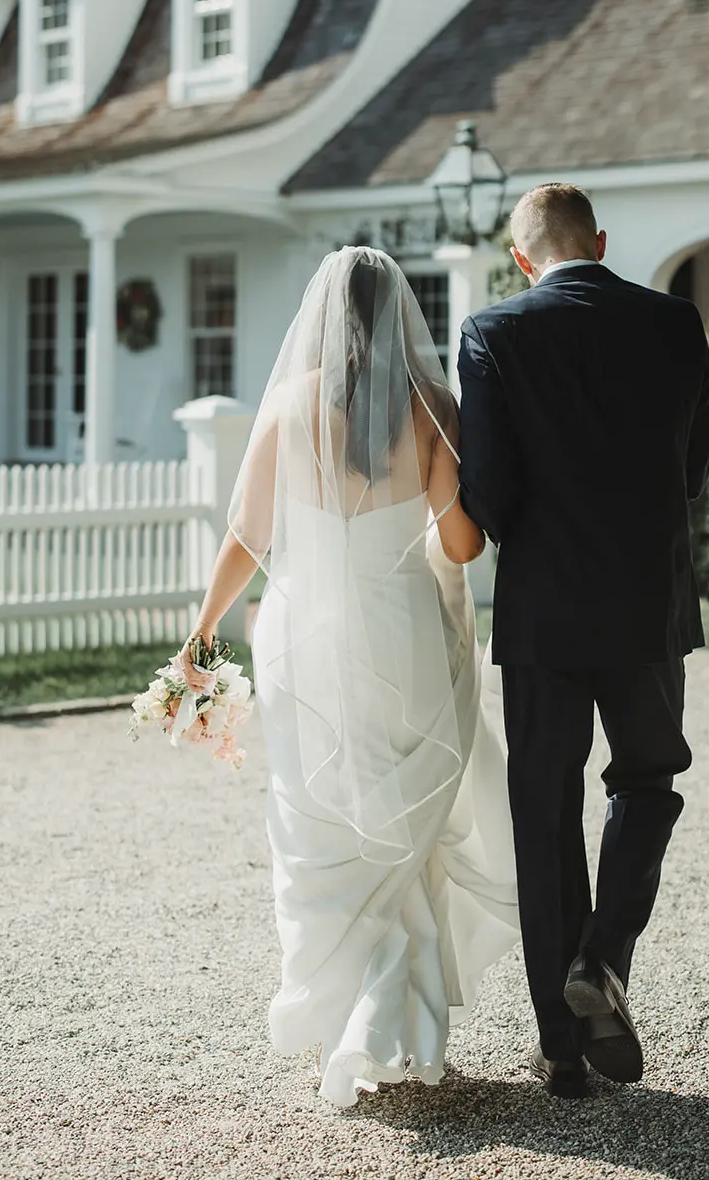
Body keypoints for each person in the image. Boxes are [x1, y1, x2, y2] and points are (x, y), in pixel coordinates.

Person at [185, 246, 520, 1108]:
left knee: (324, 823)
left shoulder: (290, 408)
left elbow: (250, 538)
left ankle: (352, 1022)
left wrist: (202, 627)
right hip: (402, 627)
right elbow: (460, 547)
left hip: (306, 639)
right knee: (401, 831)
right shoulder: (431, 410)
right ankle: (397, 1027)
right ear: (398, 315)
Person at [458, 182, 709, 1099]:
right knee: (646, 780)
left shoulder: (493, 334)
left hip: (542, 617)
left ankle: (560, 1049)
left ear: (522, 257)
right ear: (598, 242)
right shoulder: (675, 323)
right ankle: (603, 957)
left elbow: (483, 499)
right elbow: (692, 469)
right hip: (646, 607)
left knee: (542, 810)